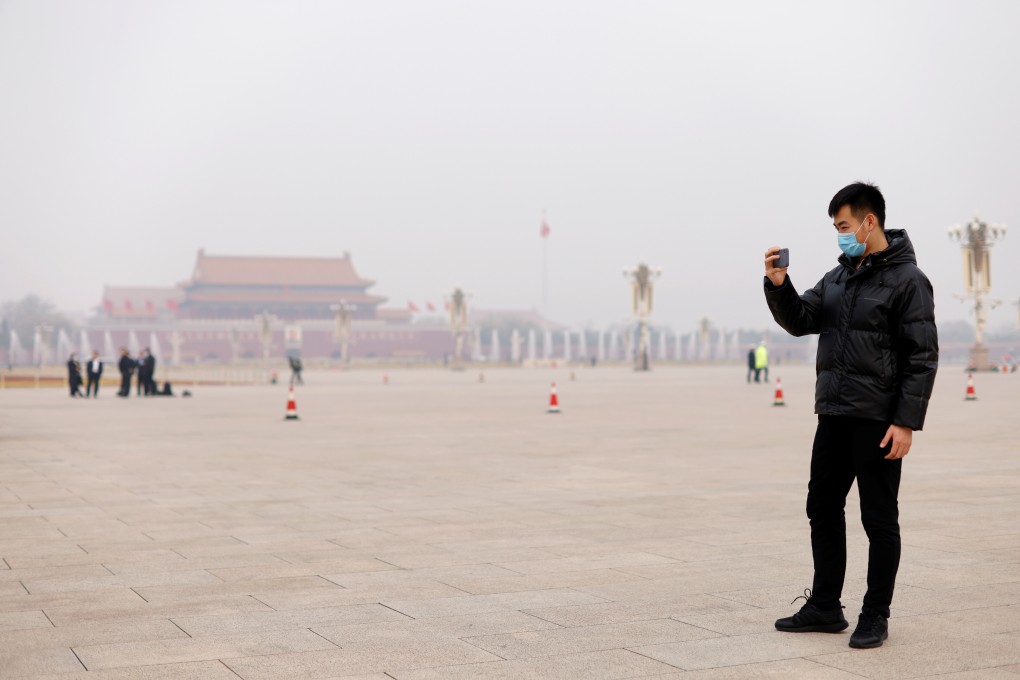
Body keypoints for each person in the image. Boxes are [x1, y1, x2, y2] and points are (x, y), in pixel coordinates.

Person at [763, 182, 938, 649]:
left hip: (878, 421)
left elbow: (921, 357)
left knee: (878, 519)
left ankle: (875, 614)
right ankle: (825, 605)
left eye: (843, 226)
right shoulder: (837, 278)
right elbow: (801, 319)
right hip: (834, 414)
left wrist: (905, 421)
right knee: (821, 506)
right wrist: (779, 286)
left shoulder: (909, 282)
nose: (840, 235)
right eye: (836, 228)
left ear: (869, 222)